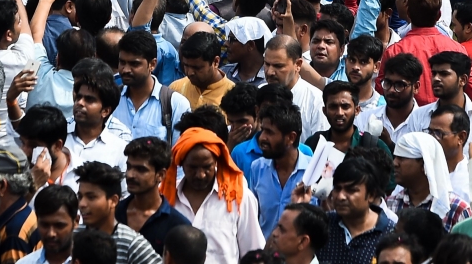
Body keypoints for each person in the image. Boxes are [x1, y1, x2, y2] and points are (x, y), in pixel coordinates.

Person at [160, 128, 263, 264]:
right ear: (181, 164)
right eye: (193, 167)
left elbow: (254, 251)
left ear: (216, 162)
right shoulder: (165, 198)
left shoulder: (239, 198)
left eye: (207, 167)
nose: (200, 174)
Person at [72, 162, 161, 264]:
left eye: (91, 197)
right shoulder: (72, 237)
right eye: (80, 197)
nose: (82, 204)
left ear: (113, 201)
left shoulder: (132, 244)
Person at [115, 139, 189, 256]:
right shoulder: (113, 213)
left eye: (141, 170)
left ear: (160, 175)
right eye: (129, 167)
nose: (130, 175)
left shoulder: (177, 225)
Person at [248, 101, 310, 236]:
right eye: (262, 130)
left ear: (291, 138)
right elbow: (252, 218)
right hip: (266, 253)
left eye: (269, 132)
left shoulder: (315, 173)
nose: (262, 138)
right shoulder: (257, 168)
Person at [385, 132, 470, 230]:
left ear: (424, 164)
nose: (394, 163)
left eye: (401, 158)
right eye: (395, 157)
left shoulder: (456, 210)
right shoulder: (390, 204)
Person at [317, 158, 395, 264]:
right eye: (337, 188)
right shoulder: (322, 225)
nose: (340, 197)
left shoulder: (391, 233)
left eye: (351, 190)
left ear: (371, 195)